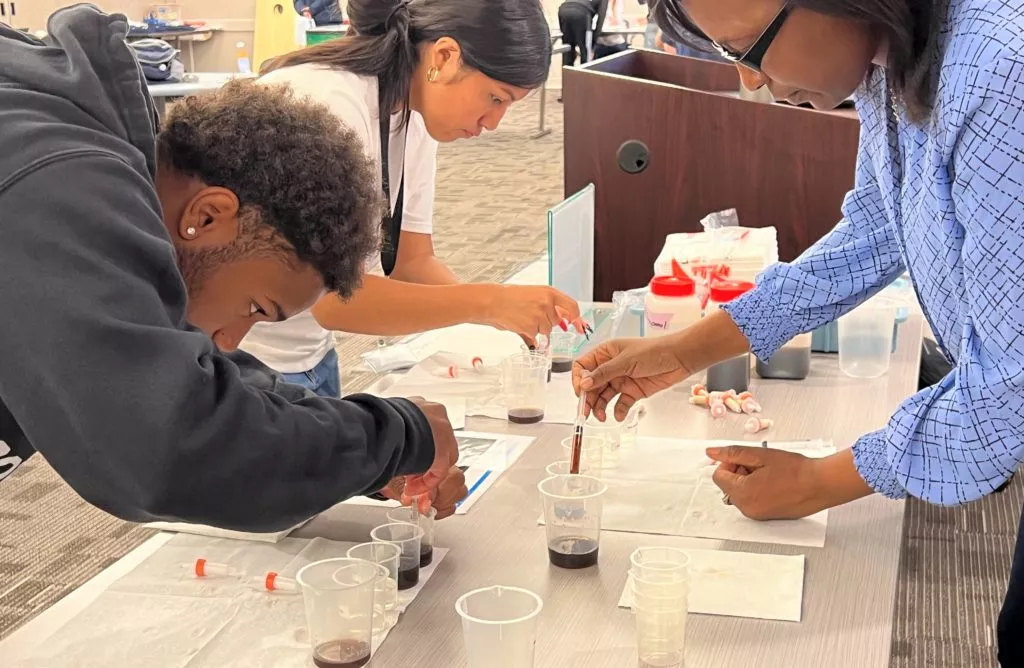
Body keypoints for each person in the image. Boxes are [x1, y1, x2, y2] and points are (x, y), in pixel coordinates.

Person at [573, 0, 1024, 662]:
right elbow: (875, 230)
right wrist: (683, 349)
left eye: (749, 47)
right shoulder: (888, 55)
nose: (751, 80)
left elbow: (1007, 391)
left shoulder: (999, 69)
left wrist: (823, 482)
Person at [0, 5, 467, 531]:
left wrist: (362, 461)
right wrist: (394, 435)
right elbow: (164, 446)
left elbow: (182, 364)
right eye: (254, 307)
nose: (227, 342)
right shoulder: (54, 182)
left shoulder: (119, 200)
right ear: (208, 215)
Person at [242, 0, 582, 398]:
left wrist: (504, 315)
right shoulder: (326, 104)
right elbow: (336, 300)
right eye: (495, 98)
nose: (494, 123)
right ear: (445, 56)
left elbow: (411, 260)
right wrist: (489, 303)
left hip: (309, 355)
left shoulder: (410, 111)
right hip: (242, 363)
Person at [558, 0, 608, 67]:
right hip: (582, 12)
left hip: (563, 10)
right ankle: (585, 75)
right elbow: (601, 18)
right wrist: (594, 40)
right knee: (586, 54)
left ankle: (567, 74)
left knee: (568, 52)